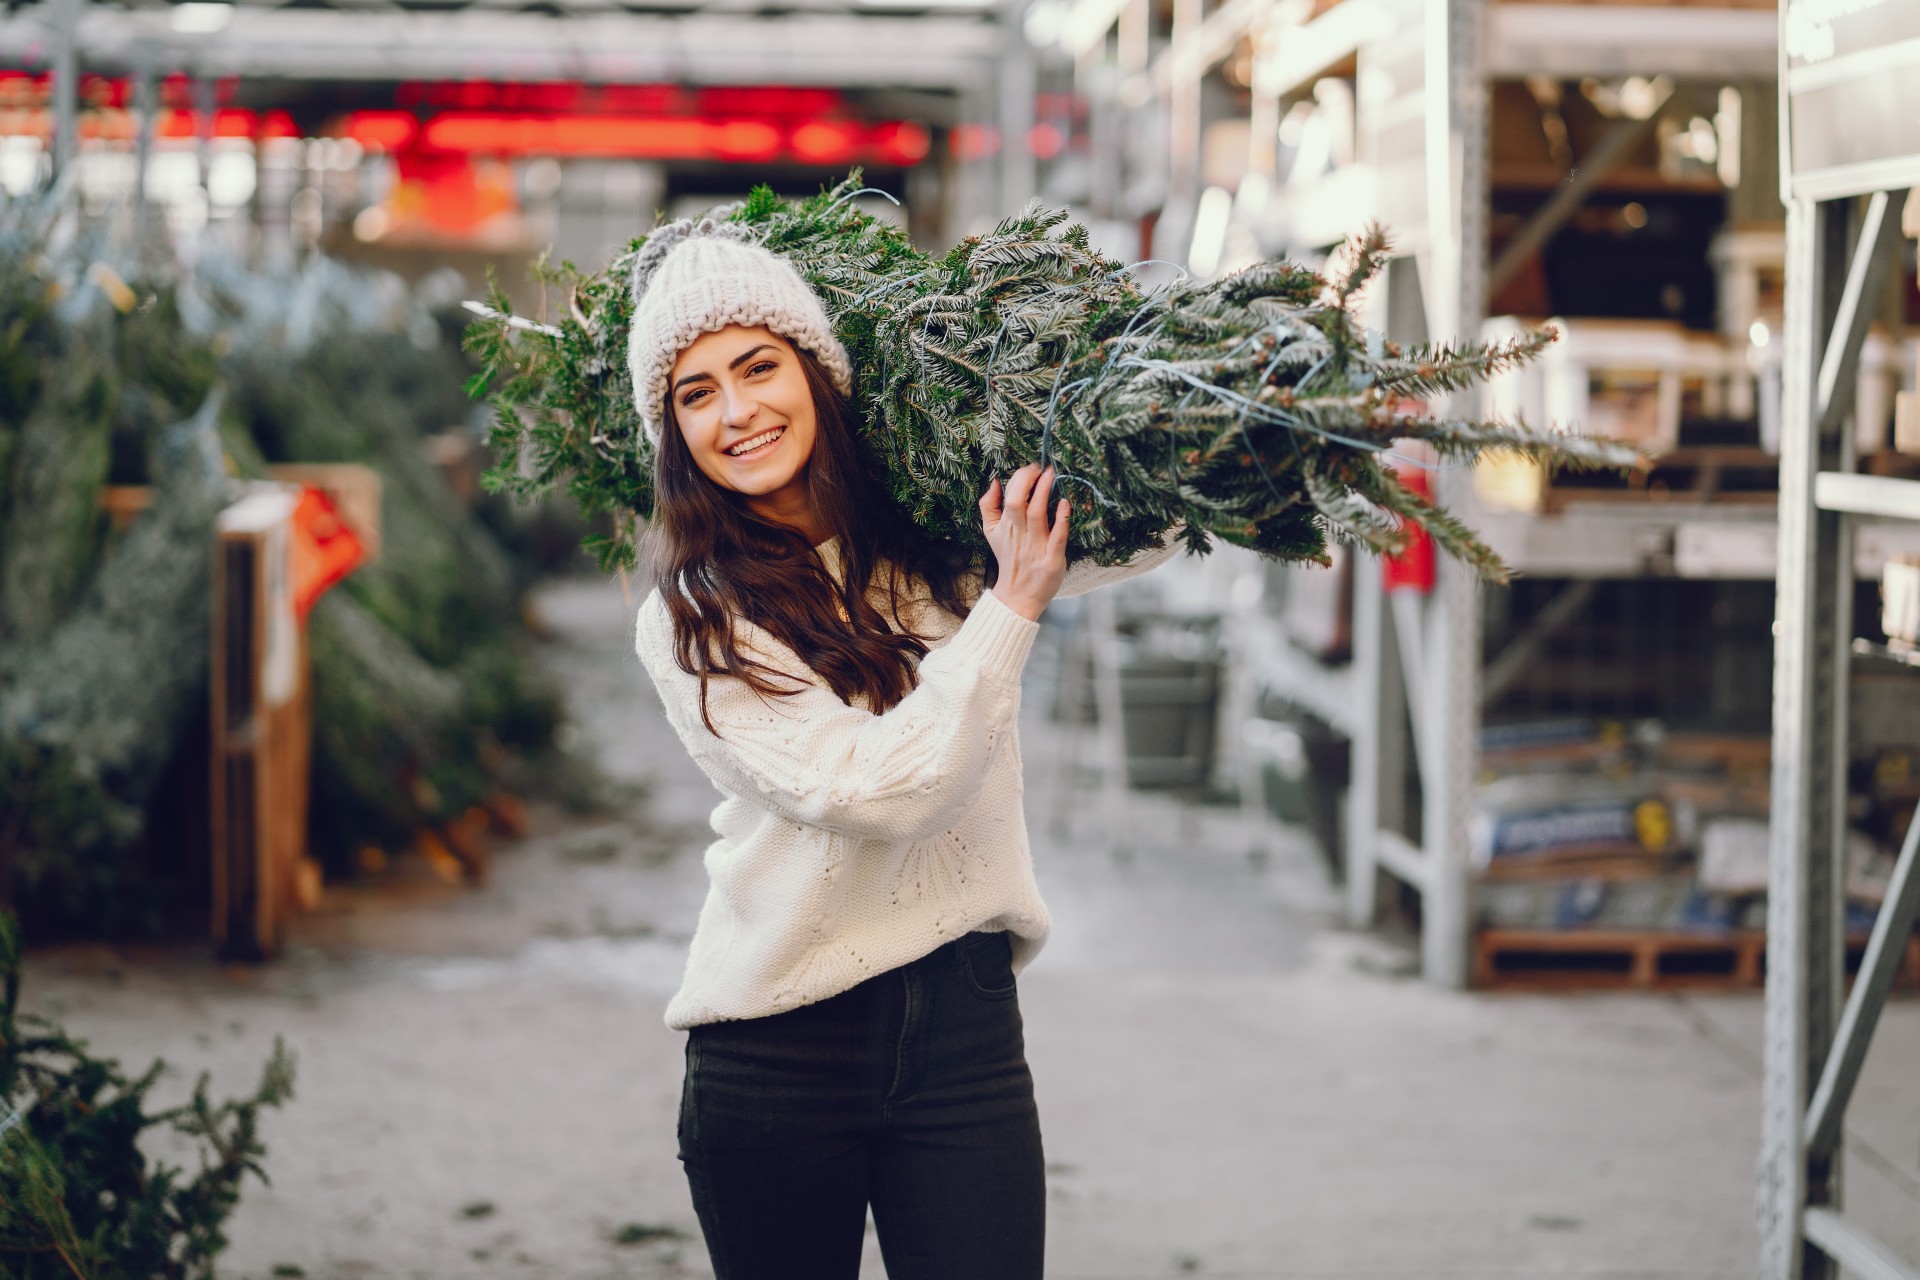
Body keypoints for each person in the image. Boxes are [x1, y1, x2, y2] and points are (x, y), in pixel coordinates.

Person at [627, 220, 1179, 1280]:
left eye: (757, 366)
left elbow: (1144, 532)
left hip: (962, 1029)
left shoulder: (933, 536)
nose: (737, 410)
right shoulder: (697, 613)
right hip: (779, 1043)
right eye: (695, 393)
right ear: (673, 430)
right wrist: (1013, 604)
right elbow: (880, 787)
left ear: (817, 374)